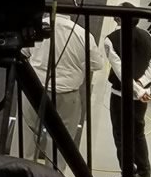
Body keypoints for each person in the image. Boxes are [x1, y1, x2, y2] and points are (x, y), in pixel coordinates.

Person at [22, 13, 106, 164]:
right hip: (67, 95)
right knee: (61, 142)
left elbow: (23, 53)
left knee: (27, 136)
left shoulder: (36, 28)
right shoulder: (81, 33)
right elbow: (97, 64)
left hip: (34, 90)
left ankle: (22, 176)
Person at [106, 20, 151, 177]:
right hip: (140, 97)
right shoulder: (149, 37)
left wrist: (136, 89)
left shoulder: (111, 40)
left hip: (120, 96)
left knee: (121, 137)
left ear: (117, 19)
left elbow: (120, 71)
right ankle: (145, 173)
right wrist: (142, 85)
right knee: (138, 134)